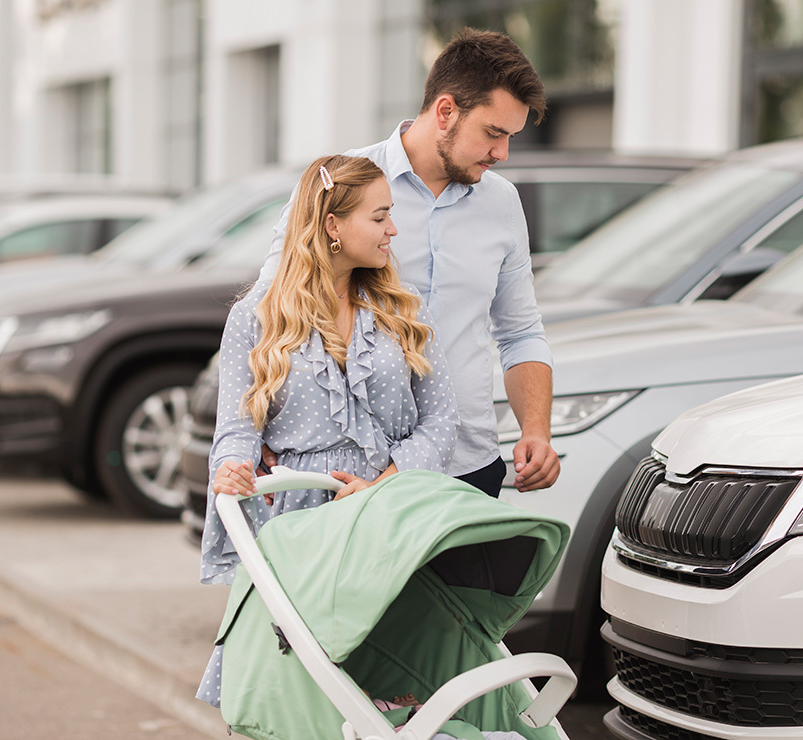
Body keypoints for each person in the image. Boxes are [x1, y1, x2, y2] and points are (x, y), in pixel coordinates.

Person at [197, 154, 460, 708]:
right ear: (332, 225)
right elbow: (237, 427)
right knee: (302, 692)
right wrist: (232, 467)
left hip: (391, 517)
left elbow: (440, 420)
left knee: (394, 684)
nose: (394, 229)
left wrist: (387, 481)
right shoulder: (256, 316)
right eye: (380, 216)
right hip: (300, 528)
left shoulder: (403, 310)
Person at [257, 28, 560, 498]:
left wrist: (536, 431)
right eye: (493, 133)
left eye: (509, 137)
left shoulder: (502, 203)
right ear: (445, 112)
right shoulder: (341, 184)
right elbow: (272, 308)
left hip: (470, 467)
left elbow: (520, 332)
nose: (502, 153)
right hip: (357, 472)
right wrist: (254, 432)